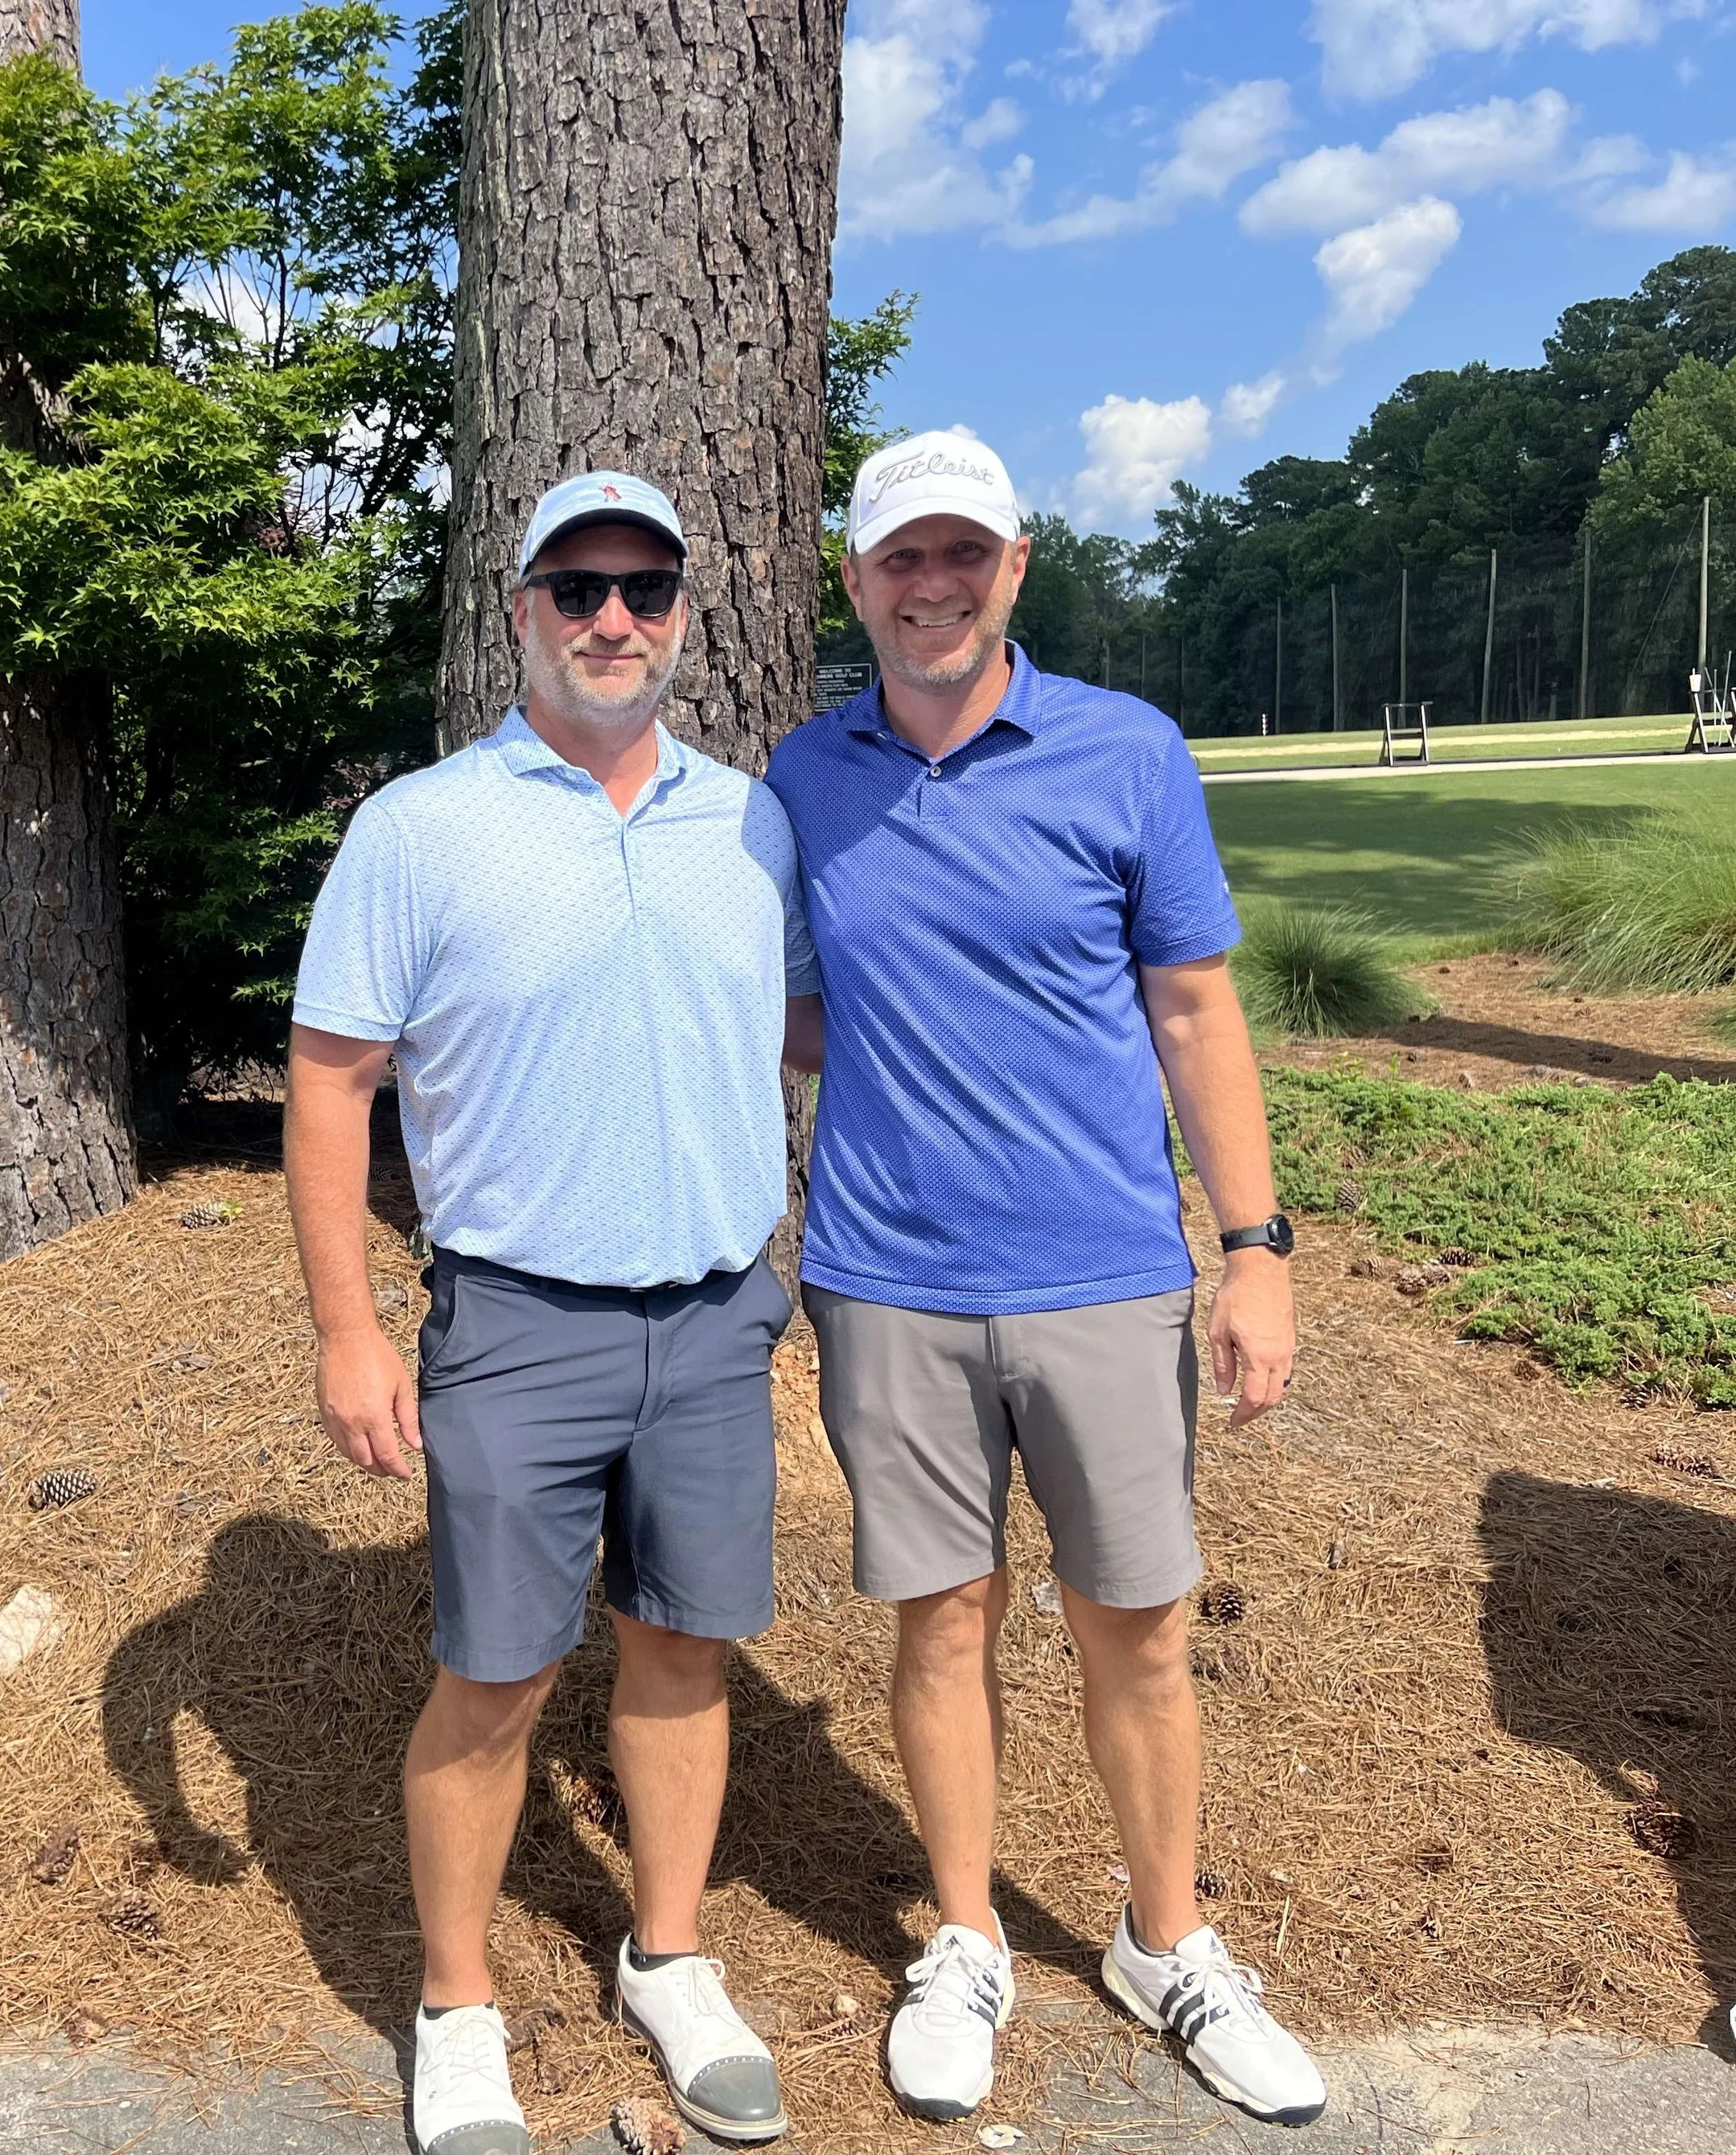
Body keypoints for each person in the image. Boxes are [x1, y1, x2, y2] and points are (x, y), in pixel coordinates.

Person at [764, 431, 1328, 2128]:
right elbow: (791, 1013)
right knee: (940, 1618)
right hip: (884, 1279)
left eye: (961, 554)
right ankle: (960, 1934)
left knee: (1135, 1628)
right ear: (853, 582)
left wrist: (1254, 1247)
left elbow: (1190, 1009)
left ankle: (1169, 1943)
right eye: (896, 559)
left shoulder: (1122, 750)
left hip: (1099, 1274)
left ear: (1014, 565)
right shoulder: (803, 774)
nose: (928, 585)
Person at [286, 471, 820, 2155]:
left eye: (644, 590)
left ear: (683, 616)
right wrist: (346, 1329)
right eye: (575, 588)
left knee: (682, 1647)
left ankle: (666, 1954)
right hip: (515, 1322)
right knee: (495, 1673)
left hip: (719, 1315)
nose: (611, 619)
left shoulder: (749, 820)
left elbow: (805, 1030)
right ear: (516, 611)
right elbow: (327, 1077)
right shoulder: (420, 828)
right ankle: (457, 2005)